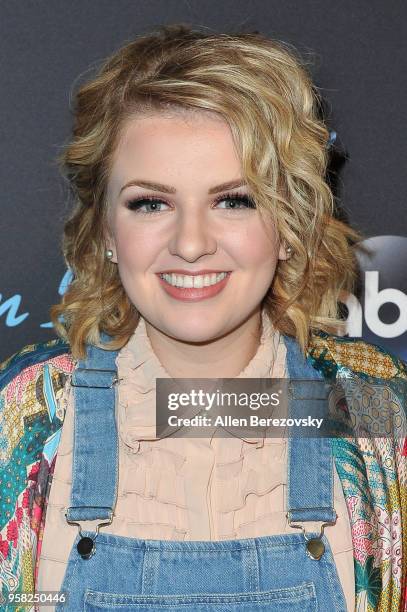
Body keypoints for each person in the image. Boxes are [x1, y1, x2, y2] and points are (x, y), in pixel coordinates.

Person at [0, 23, 406, 612]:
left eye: (233, 201)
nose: (191, 243)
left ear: (289, 225)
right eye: (151, 203)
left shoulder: (376, 408)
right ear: (108, 230)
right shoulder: (27, 413)